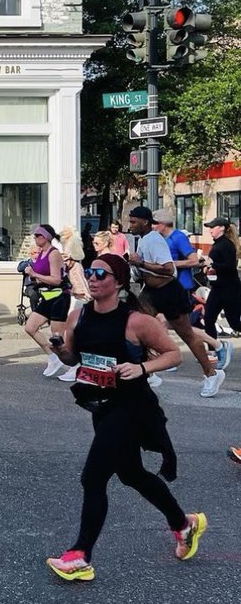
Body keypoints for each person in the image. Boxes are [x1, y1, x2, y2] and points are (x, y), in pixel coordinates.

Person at [45, 253, 206, 582]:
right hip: (101, 405)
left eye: (100, 274)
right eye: (89, 272)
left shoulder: (135, 321)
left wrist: (141, 367)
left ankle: (80, 555)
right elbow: (74, 356)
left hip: (132, 407)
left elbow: (174, 354)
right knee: (131, 474)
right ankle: (183, 523)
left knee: (93, 478)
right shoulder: (80, 315)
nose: (92, 278)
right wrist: (61, 351)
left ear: (117, 282)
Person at [127, 206, 223, 398]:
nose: (130, 225)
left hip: (169, 291)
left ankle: (212, 373)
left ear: (145, 222)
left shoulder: (154, 239)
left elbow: (168, 269)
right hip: (150, 292)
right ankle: (147, 372)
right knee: (132, 328)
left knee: (187, 334)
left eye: (133, 221)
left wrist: (141, 264)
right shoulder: (144, 240)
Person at [19, 225, 77, 380]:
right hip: (48, 296)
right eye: (35, 235)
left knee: (57, 337)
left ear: (46, 237)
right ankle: (53, 358)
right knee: (30, 327)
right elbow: (41, 276)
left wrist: (34, 273)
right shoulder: (41, 253)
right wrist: (32, 277)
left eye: (38, 235)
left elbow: (57, 279)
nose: (35, 237)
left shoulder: (54, 254)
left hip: (59, 296)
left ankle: (75, 366)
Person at [200, 216, 241, 342]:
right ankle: (214, 351)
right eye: (209, 227)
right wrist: (206, 267)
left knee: (234, 323)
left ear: (222, 228)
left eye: (213, 227)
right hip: (217, 288)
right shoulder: (217, 244)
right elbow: (215, 264)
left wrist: (211, 264)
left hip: (230, 289)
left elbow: (230, 266)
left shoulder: (226, 245)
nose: (210, 230)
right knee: (208, 319)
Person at [59, 224, 91, 308]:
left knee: (80, 288)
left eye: (66, 231)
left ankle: (87, 306)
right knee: (72, 289)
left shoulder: (74, 240)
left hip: (75, 267)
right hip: (69, 268)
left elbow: (81, 255)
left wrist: (69, 256)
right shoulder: (66, 241)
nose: (63, 232)